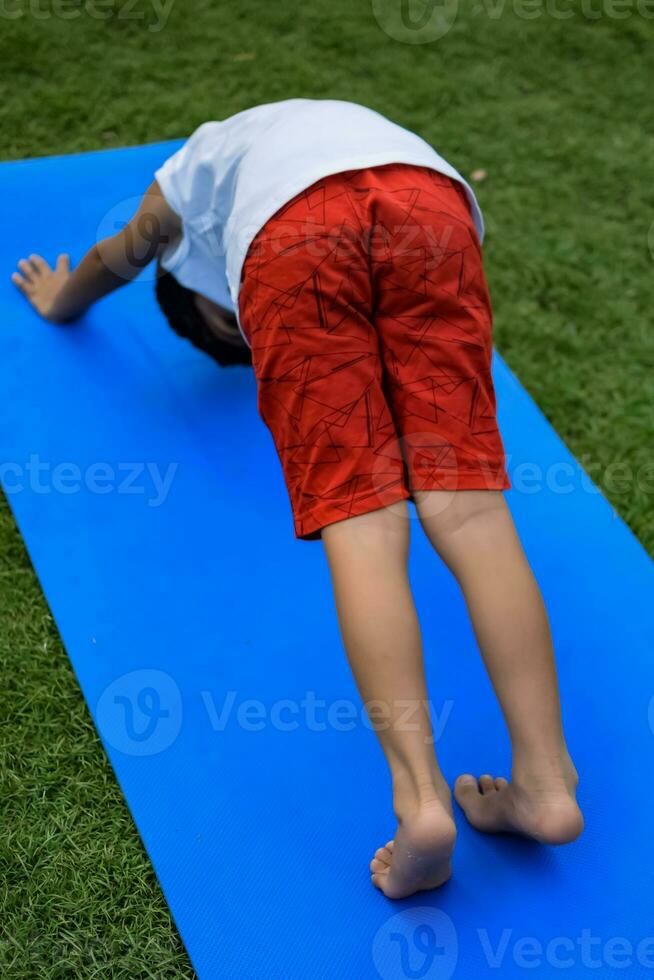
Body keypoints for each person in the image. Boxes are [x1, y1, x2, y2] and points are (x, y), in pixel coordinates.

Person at [12, 98, 583, 899]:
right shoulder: (248, 142)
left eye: (236, 334)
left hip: (298, 242)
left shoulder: (181, 198)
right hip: (433, 208)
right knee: (474, 513)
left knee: (363, 524)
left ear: (208, 305)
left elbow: (117, 256)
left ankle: (420, 801)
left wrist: (60, 299)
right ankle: (547, 784)